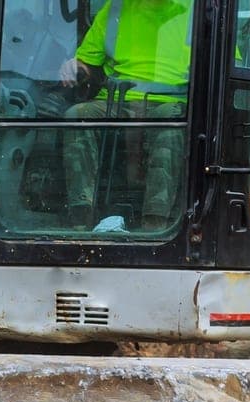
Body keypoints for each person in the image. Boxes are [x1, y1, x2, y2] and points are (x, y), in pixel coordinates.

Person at [56, 0, 193, 232]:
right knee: (78, 115)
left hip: (169, 102)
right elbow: (87, 63)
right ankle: (81, 215)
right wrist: (73, 66)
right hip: (115, 100)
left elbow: (228, 63)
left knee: (171, 127)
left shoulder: (196, 10)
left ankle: (155, 223)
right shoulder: (115, 9)